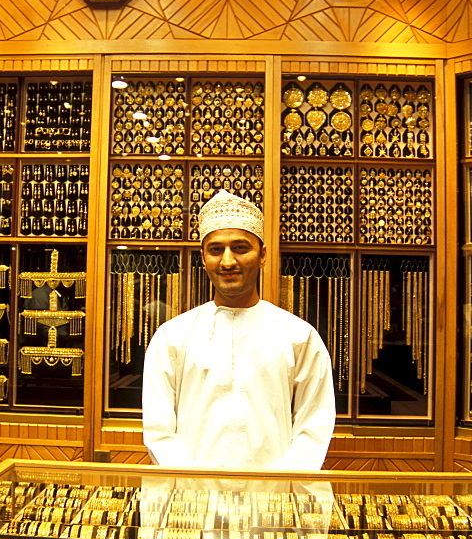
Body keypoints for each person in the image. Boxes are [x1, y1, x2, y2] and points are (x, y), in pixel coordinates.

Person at [141, 190, 336, 470]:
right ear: (203, 258)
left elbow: (313, 427)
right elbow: (159, 430)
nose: (228, 261)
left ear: (263, 255)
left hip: (273, 502)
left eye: (241, 248)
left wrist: (275, 491)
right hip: (192, 502)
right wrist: (195, 488)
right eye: (216, 250)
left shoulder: (299, 337)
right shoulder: (172, 337)